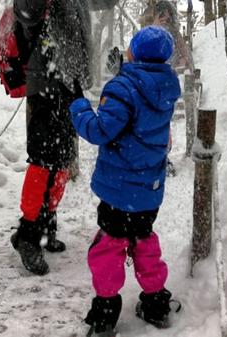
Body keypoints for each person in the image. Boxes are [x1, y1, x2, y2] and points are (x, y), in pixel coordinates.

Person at [9, 0, 122, 275]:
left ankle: (45, 225)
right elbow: (29, 11)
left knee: (62, 162)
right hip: (45, 87)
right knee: (44, 162)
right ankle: (28, 235)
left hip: (71, 86)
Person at [69, 26, 182, 335]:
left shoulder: (123, 88)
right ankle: (156, 303)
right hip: (148, 191)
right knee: (145, 242)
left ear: (134, 51)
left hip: (119, 191)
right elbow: (141, 114)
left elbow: (98, 130)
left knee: (109, 247)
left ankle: (105, 312)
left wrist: (78, 105)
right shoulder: (166, 87)